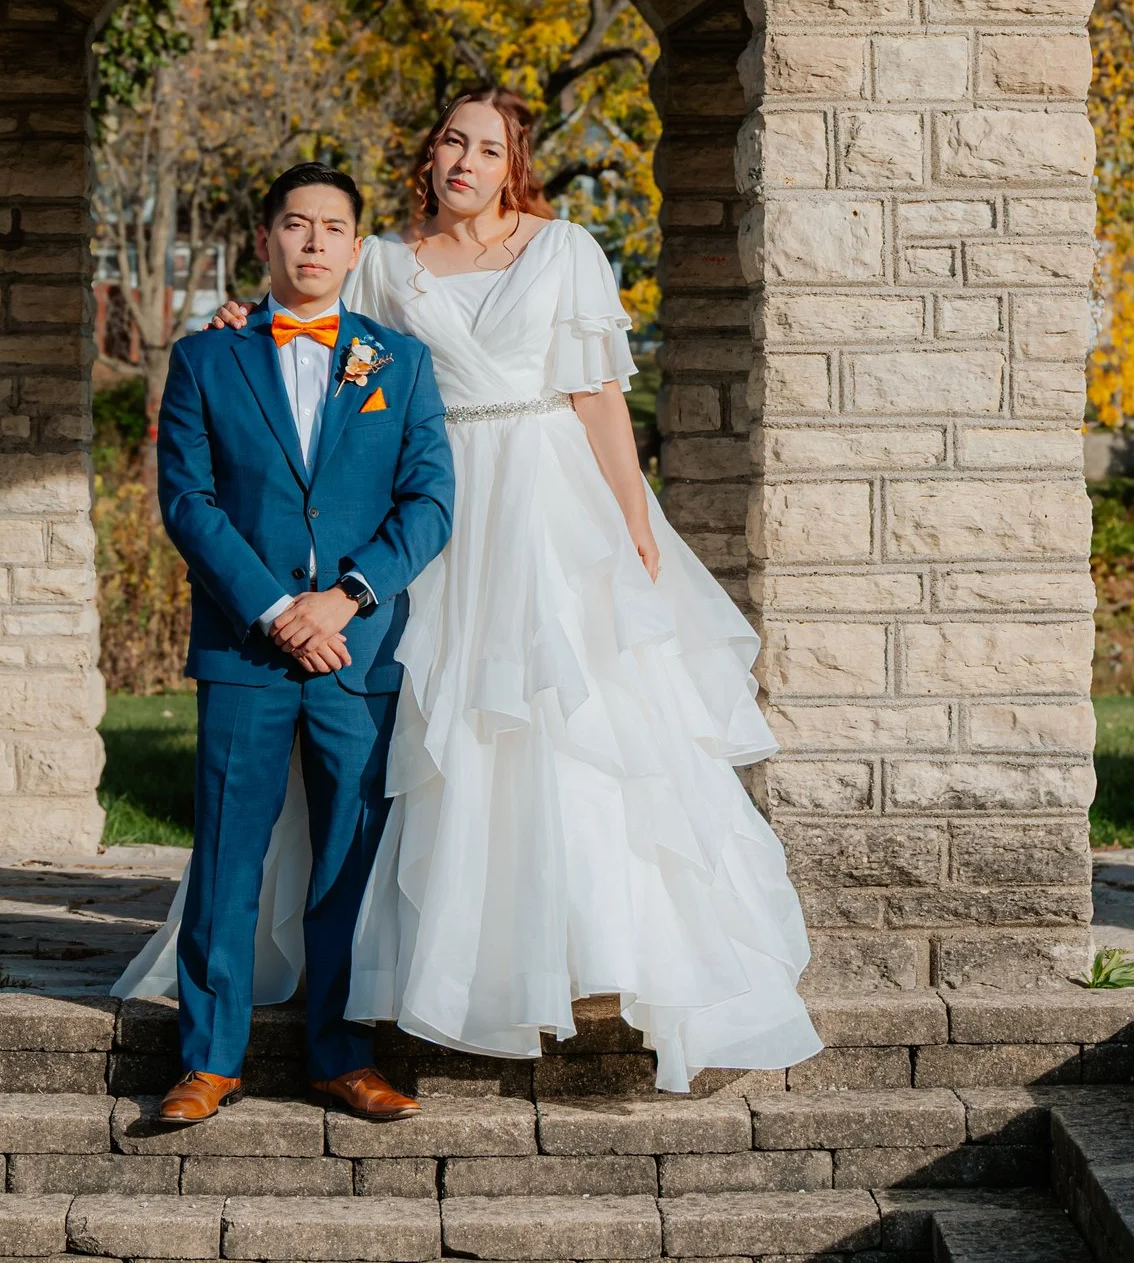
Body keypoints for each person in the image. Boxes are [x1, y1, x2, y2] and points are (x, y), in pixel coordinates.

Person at [117, 89, 823, 1093]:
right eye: (451, 138)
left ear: (512, 164)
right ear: (430, 154)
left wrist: (629, 518)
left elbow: (597, 397)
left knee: (572, 718)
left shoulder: (565, 248)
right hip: (438, 508)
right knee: (435, 736)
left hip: (544, 498)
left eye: (487, 147)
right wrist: (235, 314)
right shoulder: (385, 258)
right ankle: (409, 970)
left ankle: (587, 949)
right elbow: (306, 305)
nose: (465, 158)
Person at [144, 159, 456, 1124]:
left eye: (332, 227)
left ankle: (339, 1051)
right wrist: (278, 608)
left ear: (358, 249)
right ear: (267, 239)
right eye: (295, 223)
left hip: (357, 653)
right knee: (227, 857)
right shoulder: (206, 359)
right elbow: (187, 501)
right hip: (248, 647)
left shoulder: (398, 364)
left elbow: (431, 500)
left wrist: (346, 599)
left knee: (348, 863)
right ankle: (208, 1058)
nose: (314, 240)